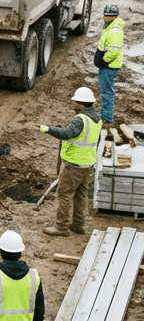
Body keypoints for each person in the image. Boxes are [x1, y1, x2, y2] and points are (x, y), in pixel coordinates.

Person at [38, 86, 101, 237]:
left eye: (75, 102)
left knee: (64, 194)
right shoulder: (97, 119)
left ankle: (61, 227)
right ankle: (78, 225)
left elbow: (67, 133)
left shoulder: (80, 119)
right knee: (81, 194)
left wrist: (48, 129)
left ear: (81, 104)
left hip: (74, 165)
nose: (73, 104)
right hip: (87, 164)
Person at [94, 4, 125, 127]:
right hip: (107, 66)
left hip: (109, 67)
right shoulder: (110, 27)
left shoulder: (115, 31)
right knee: (105, 91)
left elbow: (114, 50)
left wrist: (104, 60)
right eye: (104, 14)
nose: (104, 17)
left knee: (107, 92)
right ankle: (105, 116)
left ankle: (106, 119)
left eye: (107, 15)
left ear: (114, 17)